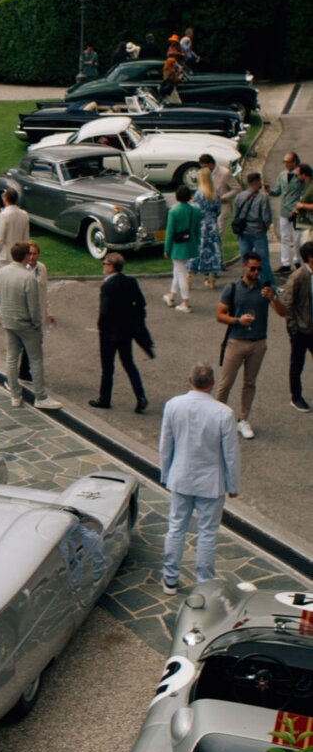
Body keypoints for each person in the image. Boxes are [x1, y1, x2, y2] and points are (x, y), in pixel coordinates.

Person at [159, 362, 240, 594]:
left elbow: (166, 444)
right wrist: (233, 484)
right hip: (211, 482)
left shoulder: (173, 405)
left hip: (181, 477)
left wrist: (166, 474)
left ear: (189, 380)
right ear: (212, 383)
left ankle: (170, 578)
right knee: (207, 534)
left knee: (176, 528)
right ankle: (204, 582)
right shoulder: (224, 413)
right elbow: (231, 454)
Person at [215, 250, 282, 439]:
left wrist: (273, 298)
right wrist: (238, 321)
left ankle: (243, 420)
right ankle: (217, 419)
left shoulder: (266, 289)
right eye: (253, 268)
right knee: (226, 383)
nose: (256, 272)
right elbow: (219, 315)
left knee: (250, 383)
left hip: (258, 343)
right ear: (244, 266)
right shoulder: (232, 288)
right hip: (236, 341)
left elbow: (283, 312)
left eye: (259, 269)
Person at [0, 242, 61, 411]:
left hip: (8, 321)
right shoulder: (28, 277)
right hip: (26, 324)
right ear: (26, 256)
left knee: (11, 358)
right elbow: (33, 306)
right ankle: (40, 397)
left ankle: (15, 396)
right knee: (36, 360)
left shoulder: (3, 271)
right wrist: (37, 324)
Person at [89, 252, 149, 413]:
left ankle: (104, 399)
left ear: (111, 267)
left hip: (109, 333)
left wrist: (101, 327)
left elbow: (104, 311)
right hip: (126, 331)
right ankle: (141, 396)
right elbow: (141, 303)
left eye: (105, 264)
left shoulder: (107, 286)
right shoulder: (130, 282)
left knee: (107, 367)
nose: (104, 266)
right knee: (129, 364)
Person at [274, 240, 313, 412]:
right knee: (297, 364)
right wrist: (293, 329)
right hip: (301, 329)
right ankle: (296, 397)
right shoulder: (297, 277)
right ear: (310, 258)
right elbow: (287, 304)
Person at [0, 188, 31, 324]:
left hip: (4, 256)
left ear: (5, 199)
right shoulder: (24, 214)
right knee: (17, 285)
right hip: (19, 255)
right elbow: (26, 237)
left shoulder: (3, 215)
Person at [163, 184, 200, 312]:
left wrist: (166, 249)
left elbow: (170, 233)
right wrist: (197, 243)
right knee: (178, 270)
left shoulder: (173, 211)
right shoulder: (196, 211)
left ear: (177, 196)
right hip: (191, 244)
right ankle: (172, 295)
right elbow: (197, 231)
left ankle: (185, 302)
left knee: (180, 273)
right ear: (189, 196)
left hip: (178, 246)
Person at [232, 172, 273, 285]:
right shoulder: (263, 197)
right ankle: (268, 285)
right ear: (258, 182)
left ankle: (246, 283)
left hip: (243, 232)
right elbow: (266, 218)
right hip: (258, 232)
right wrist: (265, 228)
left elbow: (235, 214)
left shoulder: (239, 196)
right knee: (263, 261)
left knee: (245, 261)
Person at [186, 167, 224, 289]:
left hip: (201, 225)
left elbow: (195, 210)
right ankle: (211, 279)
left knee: (197, 250)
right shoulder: (214, 194)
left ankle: (189, 276)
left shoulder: (198, 194)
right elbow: (218, 210)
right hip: (212, 225)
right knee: (213, 250)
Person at [270, 152, 304, 273]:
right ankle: (285, 262)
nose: (285, 164)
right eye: (284, 161)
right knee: (284, 237)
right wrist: (269, 191)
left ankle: (297, 260)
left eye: (288, 162)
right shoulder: (282, 175)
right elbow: (278, 191)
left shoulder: (300, 175)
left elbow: (305, 192)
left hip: (297, 211)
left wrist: (299, 206)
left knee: (297, 237)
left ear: (294, 162)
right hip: (284, 210)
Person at [199, 152, 240, 237]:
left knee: (219, 233)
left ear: (211, 163)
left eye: (205, 166)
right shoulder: (204, 173)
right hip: (209, 207)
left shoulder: (225, 173)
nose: (204, 169)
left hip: (222, 206)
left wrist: (223, 197)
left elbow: (237, 188)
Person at [291, 162, 313, 244]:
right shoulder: (306, 185)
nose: (297, 177)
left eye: (298, 175)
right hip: (305, 225)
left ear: (304, 175)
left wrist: (302, 205)